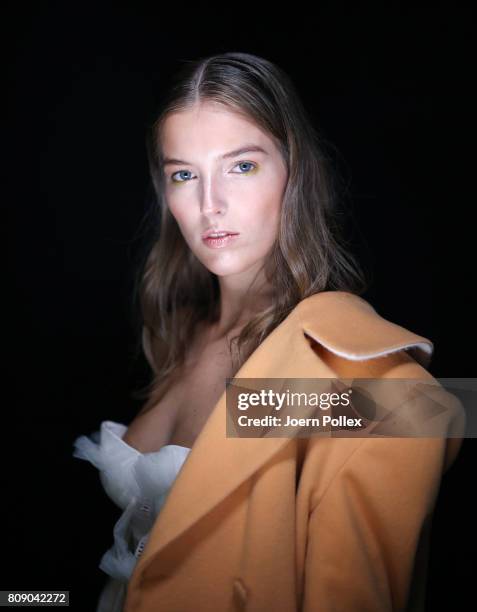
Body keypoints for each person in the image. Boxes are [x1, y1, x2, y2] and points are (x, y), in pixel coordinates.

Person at [72, 52, 465, 612]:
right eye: (185, 174)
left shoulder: (346, 369)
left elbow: (434, 412)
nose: (211, 206)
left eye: (242, 166)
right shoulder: (182, 332)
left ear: (296, 173)